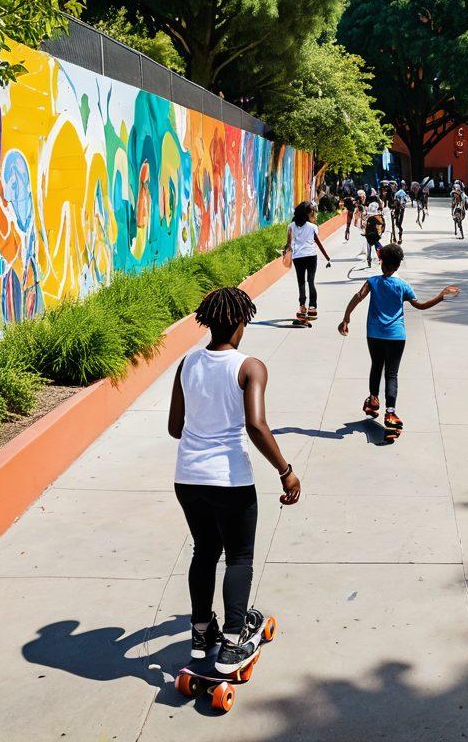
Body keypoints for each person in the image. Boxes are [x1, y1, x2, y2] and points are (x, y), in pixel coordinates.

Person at [168, 287, 301, 672]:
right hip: (229, 479)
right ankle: (232, 640)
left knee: (204, 551)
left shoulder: (187, 364)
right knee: (239, 556)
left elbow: (176, 428)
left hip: (188, 477)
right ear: (242, 321)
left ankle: (200, 633)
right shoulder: (249, 367)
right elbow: (256, 426)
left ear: (208, 321)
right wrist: (285, 471)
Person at [338, 244, 459, 434]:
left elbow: (357, 297)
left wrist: (346, 318)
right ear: (398, 265)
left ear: (381, 262)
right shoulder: (402, 285)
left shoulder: (373, 281)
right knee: (392, 373)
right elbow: (420, 306)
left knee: (376, 365)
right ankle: (390, 413)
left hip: (374, 334)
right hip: (396, 336)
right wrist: (441, 296)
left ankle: (373, 398)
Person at [283, 202, 331, 322]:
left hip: (298, 257)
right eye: (311, 211)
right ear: (307, 213)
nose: (313, 213)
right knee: (311, 281)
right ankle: (312, 306)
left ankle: (302, 307)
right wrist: (327, 257)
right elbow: (317, 242)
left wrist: (285, 254)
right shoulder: (313, 227)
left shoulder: (291, 226)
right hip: (310, 256)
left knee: (301, 282)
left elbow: (288, 244)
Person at [363, 201, 385, 266]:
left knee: (371, 246)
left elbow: (365, 225)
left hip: (371, 234)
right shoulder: (379, 217)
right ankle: (373, 259)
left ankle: (371, 259)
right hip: (374, 234)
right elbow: (382, 225)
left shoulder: (371, 217)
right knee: (375, 246)